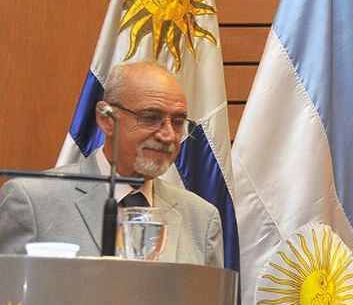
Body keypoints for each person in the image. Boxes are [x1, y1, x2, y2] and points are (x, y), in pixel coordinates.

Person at [0, 60, 224, 265]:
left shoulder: (201, 219)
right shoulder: (33, 202)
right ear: (106, 120)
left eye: (177, 122)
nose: (168, 136)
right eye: (150, 118)